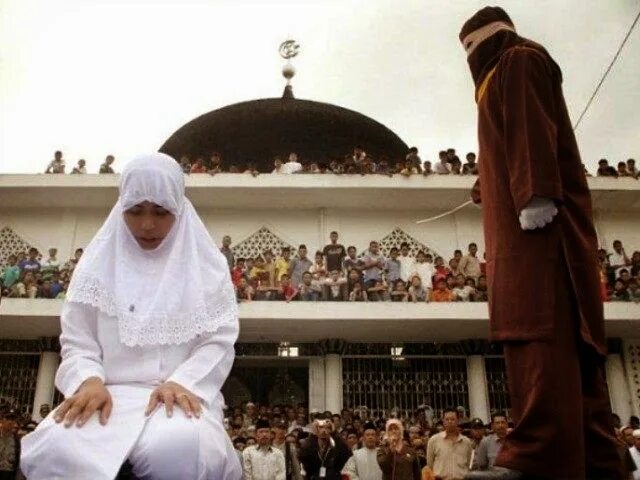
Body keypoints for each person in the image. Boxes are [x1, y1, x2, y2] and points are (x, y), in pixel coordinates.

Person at [460, 6, 622, 479]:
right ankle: (598, 464)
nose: (469, 59)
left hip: (539, 236)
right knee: (572, 355)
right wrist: (489, 184)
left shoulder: (517, 61)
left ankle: (538, 455)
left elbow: (531, 130)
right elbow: (511, 143)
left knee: (539, 332)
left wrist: (534, 192)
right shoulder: (498, 77)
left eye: (471, 48)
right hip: (521, 232)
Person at [20, 153, 242, 479]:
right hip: (106, 394)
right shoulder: (96, 264)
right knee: (58, 446)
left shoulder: (208, 267)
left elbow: (218, 341)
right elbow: (78, 338)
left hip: (180, 395)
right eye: (135, 211)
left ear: (179, 209)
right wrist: (88, 380)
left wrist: (182, 382)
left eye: (161, 212)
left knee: (179, 446)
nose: (147, 224)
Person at [426, 408, 472, 480]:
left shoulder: (466, 442)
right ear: (443, 421)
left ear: (458, 421)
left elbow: (468, 463)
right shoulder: (434, 440)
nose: (450, 421)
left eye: (452, 419)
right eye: (447, 419)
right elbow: (430, 464)